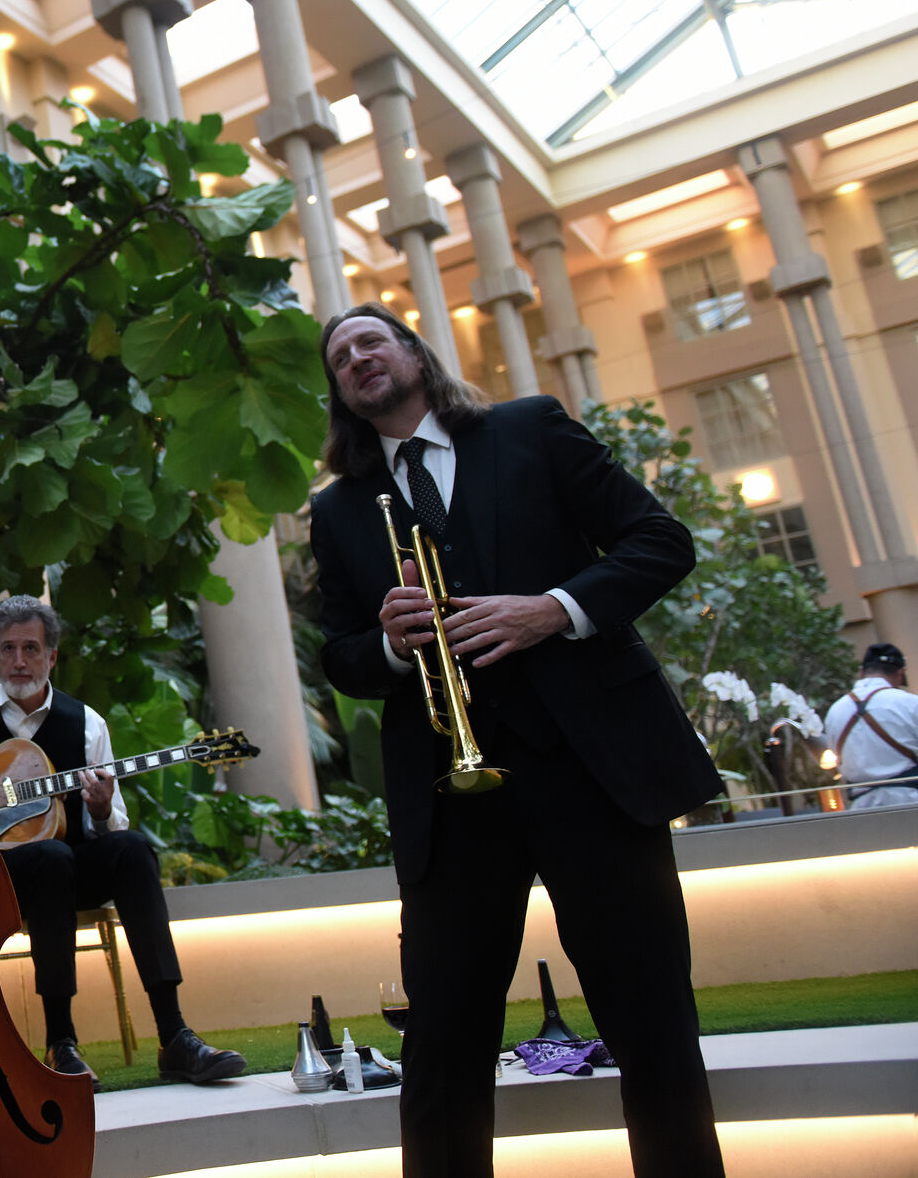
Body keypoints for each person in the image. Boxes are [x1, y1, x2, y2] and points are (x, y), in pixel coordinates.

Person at [307, 304, 725, 1178]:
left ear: (416, 353)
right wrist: (389, 641)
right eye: (341, 356)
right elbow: (342, 655)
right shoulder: (340, 508)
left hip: (591, 770)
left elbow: (661, 540)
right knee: (443, 1043)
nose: (357, 357)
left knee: (650, 1020)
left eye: (371, 340)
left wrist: (554, 609)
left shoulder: (529, 428)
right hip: (451, 799)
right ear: (340, 391)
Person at [0, 595, 246, 1087]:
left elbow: (113, 827)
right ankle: (61, 1040)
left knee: (131, 850)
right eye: (7, 649)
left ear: (52, 656)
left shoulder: (87, 724)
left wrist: (103, 808)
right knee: (49, 856)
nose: (18, 661)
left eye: (30, 649)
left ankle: (175, 1036)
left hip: (64, 870)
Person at [825, 643, 918, 809]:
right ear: (900, 673)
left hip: (863, 810)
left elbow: (835, 761)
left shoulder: (835, 711)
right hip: (911, 802)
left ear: (861, 672)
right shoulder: (910, 703)